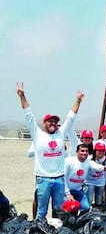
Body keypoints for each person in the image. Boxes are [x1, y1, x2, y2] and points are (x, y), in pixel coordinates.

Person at [16, 82, 84, 220]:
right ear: (44, 123)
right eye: (49, 121)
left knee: (58, 212)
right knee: (41, 212)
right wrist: (22, 96)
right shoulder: (38, 134)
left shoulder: (61, 133)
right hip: (43, 179)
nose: (53, 123)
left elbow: (71, 117)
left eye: (55, 121)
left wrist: (78, 100)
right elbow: (28, 115)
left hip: (59, 179)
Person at [64, 144, 106, 214]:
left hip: (78, 189)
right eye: (82, 151)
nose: (84, 153)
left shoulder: (88, 162)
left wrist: (105, 168)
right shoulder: (69, 161)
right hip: (67, 190)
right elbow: (63, 177)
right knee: (70, 208)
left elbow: (96, 167)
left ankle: (80, 221)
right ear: (77, 152)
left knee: (86, 207)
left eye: (86, 151)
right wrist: (67, 193)